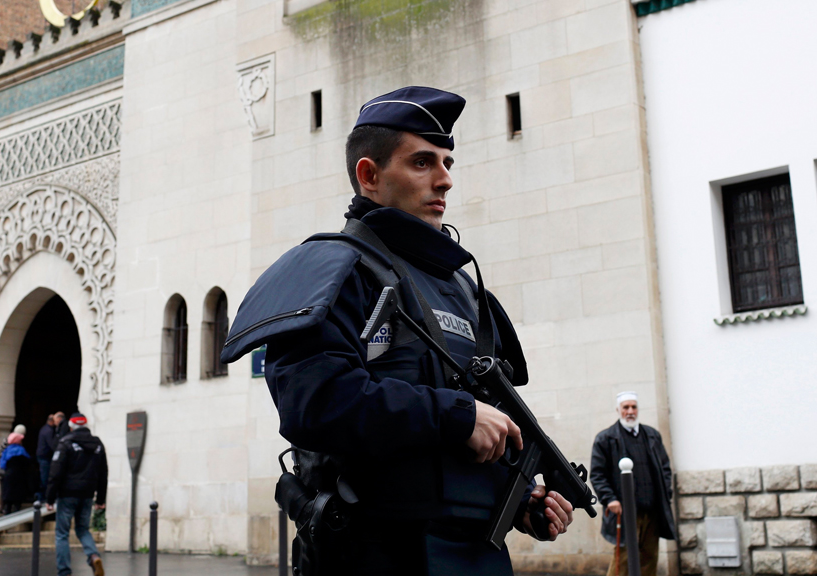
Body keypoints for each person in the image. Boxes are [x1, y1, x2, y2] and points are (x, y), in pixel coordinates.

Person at [220, 86, 574, 575]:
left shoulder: (466, 291)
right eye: (423, 163)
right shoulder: (332, 271)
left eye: (448, 163)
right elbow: (316, 403)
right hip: (377, 554)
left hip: (479, 557)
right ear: (370, 175)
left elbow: (484, 428)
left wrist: (522, 501)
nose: (445, 180)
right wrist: (456, 416)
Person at [590, 391, 676, 576]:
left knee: (649, 557)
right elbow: (597, 474)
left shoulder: (652, 435)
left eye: (633, 407)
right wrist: (610, 499)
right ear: (618, 410)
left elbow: (665, 468)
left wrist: (665, 493)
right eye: (626, 407)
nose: (630, 411)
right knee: (624, 558)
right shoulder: (605, 439)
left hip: (652, 510)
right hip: (626, 511)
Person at [46, 413, 107, 576]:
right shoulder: (97, 444)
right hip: (87, 494)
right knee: (83, 529)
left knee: (62, 534)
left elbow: (55, 472)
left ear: (71, 426)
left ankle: (64, 571)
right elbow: (103, 473)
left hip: (67, 494)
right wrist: (101, 498)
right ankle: (93, 556)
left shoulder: (66, 443)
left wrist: (49, 497)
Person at [0, 431, 35, 514]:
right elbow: (27, 462)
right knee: (17, 497)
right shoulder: (21, 450)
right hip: (19, 476)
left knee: (8, 495)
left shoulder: (7, 450)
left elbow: (2, 463)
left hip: (8, 474)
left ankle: (7, 510)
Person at [37, 413, 65, 501]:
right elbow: (52, 445)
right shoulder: (48, 431)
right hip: (45, 457)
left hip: (44, 457)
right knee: (45, 477)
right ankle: (44, 497)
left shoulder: (45, 429)